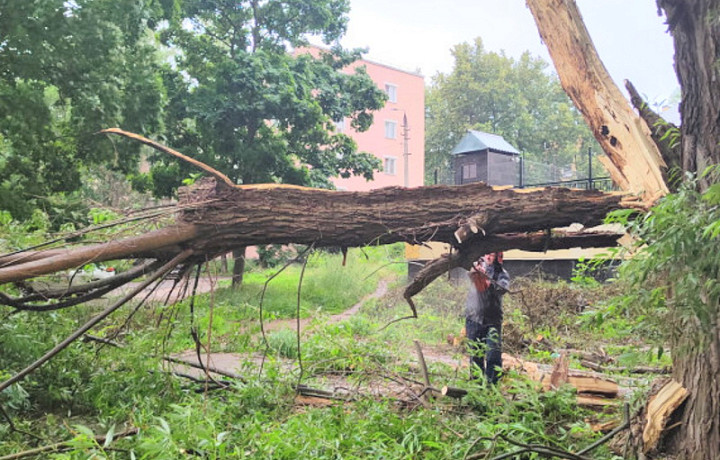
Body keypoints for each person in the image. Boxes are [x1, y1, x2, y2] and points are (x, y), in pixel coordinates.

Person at [465, 252, 510, 384]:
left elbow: (502, 288)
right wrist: (477, 274)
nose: (489, 257)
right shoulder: (476, 267)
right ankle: (477, 386)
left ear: (497, 257)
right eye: (487, 254)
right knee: (475, 354)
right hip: (474, 317)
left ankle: (492, 387)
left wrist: (488, 282)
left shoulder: (502, 274)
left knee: (493, 354)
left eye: (492, 255)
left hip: (493, 320)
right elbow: (471, 273)